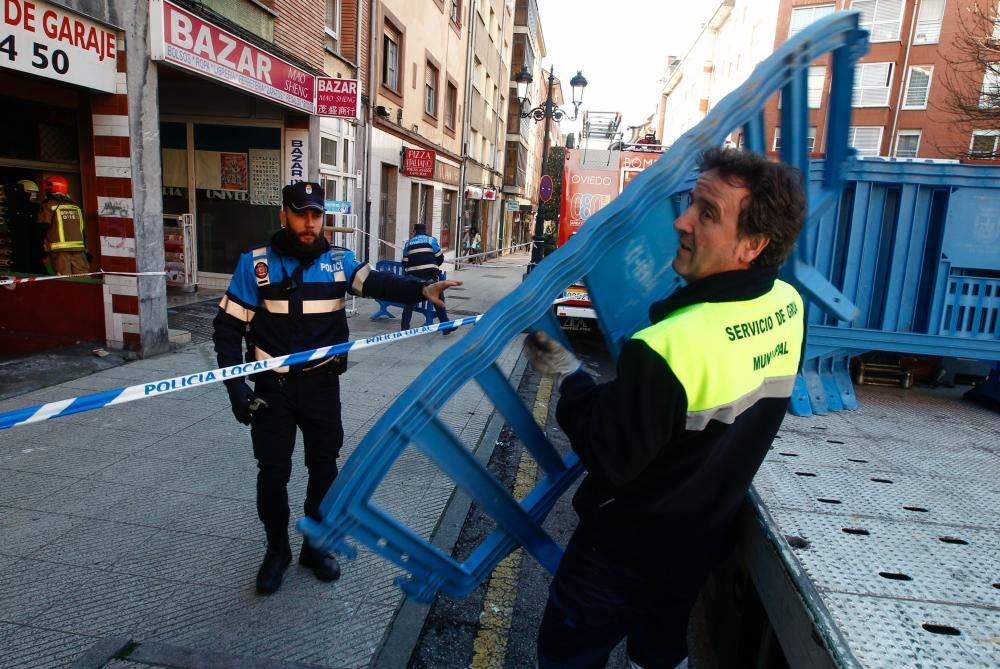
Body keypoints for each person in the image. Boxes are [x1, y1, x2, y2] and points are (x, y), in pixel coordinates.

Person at [525, 147, 806, 669]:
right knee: (659, 652)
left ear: (753, 245)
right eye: (691, 204)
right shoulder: (786, 306)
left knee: (567, 655)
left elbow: (610, 457)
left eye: (707, 212)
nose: (682, 221)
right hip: (697, 542)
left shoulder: (666, 347)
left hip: (620, 555)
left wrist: (569, 377)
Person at [212, 181, 460, 596]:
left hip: (322, 388)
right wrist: (235, 387)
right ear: (283, 216)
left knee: (324, 468)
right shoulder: (255, 264)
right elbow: (227, 328)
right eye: (300, 213)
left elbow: (379, 282)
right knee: (272, 473)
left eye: (316, 215)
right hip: (271, 391)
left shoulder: (339, 261)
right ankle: (276, 551)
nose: (309, 223)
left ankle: (314, 545)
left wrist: (420, 289)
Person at [400, 222, 449, 333]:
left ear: (415, 232)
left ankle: (404, 327)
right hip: (430, 276)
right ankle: (446, 327)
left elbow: (405, 263)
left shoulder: (408, 243)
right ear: (425, 231)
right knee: (438, 299)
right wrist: (433, 266)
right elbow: (439, 257)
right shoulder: (431, 240)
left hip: (413, 278)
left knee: (409, 302)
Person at [37, 176, 89, 276]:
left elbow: (43, 228)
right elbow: (82, 230)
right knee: (83, 281)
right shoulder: (75, 207)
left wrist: (41, 250)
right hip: (80, 252)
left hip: (60, 253)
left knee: (64, 281)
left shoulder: (49, 205)